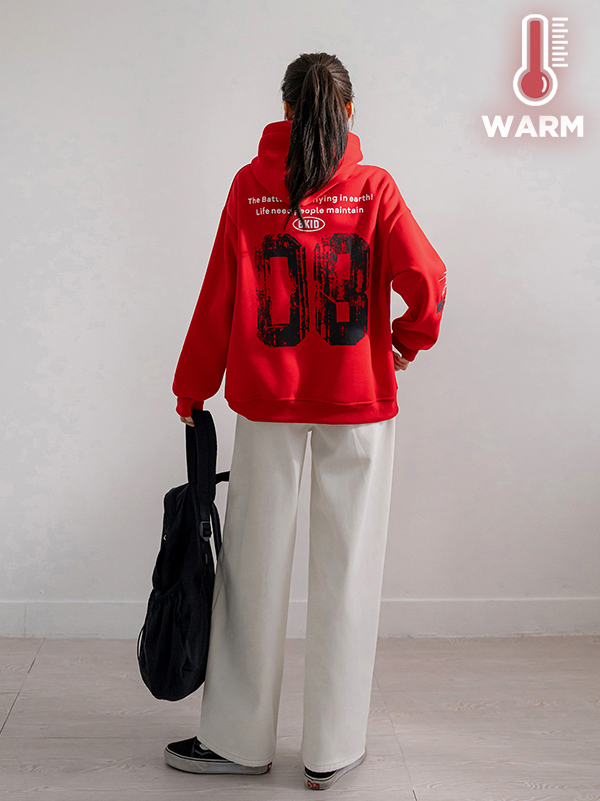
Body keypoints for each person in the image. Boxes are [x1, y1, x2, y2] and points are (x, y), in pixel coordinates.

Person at [164, 52, 447, 791]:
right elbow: (428, 277)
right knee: (348, 572)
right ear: (349, 112)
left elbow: (219, 292)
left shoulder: (249, 185)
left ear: (284, 110)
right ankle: (331, 748)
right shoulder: (374, 188)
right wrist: (406, 341)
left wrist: (193, 385)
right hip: (358, 402)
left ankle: (237, 742)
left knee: (251, 572)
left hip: (268, 403)